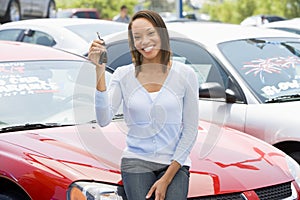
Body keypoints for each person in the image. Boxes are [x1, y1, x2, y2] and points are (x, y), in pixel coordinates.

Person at [88, 10, 199, 200]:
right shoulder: (123, 75)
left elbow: (190, 129)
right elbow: (103, 119)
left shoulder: (186, 74)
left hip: (174, 163)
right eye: (137, 37)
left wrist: (166, 178)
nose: (144, 41)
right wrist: (99, 70)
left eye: (150, 33)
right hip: (136, 161)